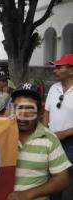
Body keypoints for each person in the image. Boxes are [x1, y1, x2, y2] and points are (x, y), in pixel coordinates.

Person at [7, 82, 71, 200]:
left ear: (40, 112)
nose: (23, 114)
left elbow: (63, 179)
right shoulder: (0, 136)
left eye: (30, 109)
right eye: (18, 108)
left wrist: (28, 194)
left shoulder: (50, 139)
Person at [43, 54, 73, 199]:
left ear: (71, 70)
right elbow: (47, 111)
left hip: (70, 143)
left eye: (59, 67)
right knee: (53, 180)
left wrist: (65, 133)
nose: (55, 70)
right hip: (52, 140)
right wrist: (45, 131)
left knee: (67, 179)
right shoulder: (54, 87)